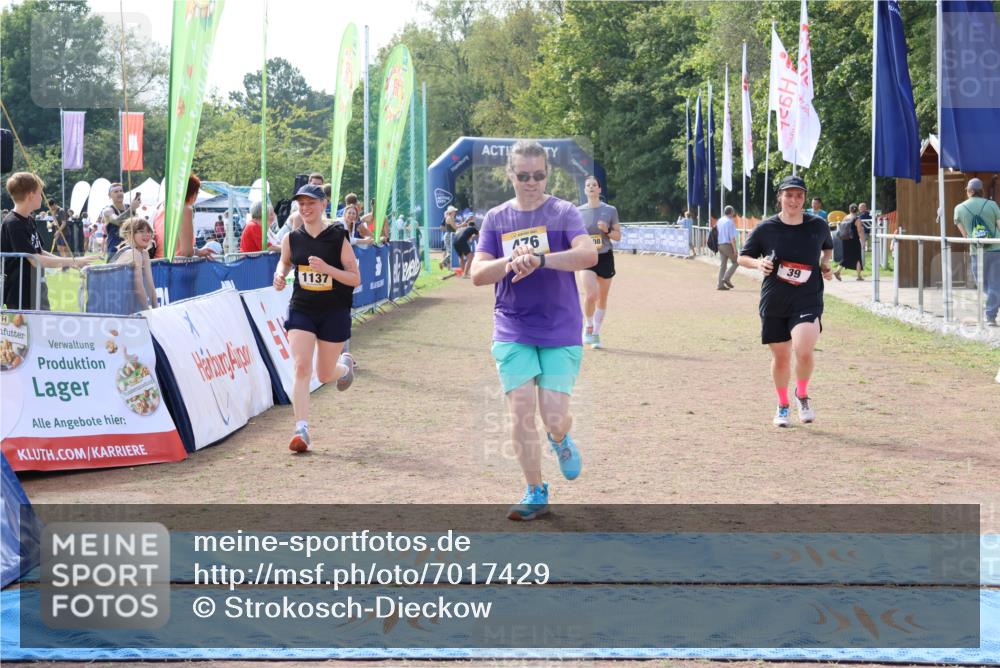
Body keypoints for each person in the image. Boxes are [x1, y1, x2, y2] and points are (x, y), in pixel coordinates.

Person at [470, 139, 598, 521]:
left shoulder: (563, 212)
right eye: (523, 176)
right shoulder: (496, 219)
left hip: (560, 326)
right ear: (511, 175)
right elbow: (477, 273)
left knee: (554, 416)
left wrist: (540, 259)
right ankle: (535, 490)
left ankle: (559, 439)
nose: (531, 183)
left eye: (539, 175)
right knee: (521, 409)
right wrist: (510, 262)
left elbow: (589, 253)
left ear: (548, 174)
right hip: (512, 325)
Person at [737, 175, 833, 428]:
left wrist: (825, 265)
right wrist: (758, 263)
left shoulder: (818, 225)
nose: (794, 200)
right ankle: (783, 404)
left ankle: (802, 395)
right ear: (780, 197)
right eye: (788, 195)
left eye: (799, 195)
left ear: (805, 198)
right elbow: (742, 257)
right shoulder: (766, 228)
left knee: (803, 349)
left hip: (807, 297)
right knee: (781, 358)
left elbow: (827, 247)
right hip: (775, 299)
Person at [272, 184, 360, 453]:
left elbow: (355, 279)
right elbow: (286, 262)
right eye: (301, 203)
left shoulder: (337, 237)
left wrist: (328, 269)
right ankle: (301, 430)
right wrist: (280, 273)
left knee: (324, 373)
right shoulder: (292, 239)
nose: (305, 208)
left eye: (311, 203)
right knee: (301, 367)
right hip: (303, 309)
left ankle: (345, 368)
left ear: (323, 205)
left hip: (334, 311)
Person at [1, 173, 96, 309]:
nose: (42, 197)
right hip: (21, 294)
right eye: (40, 193)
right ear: (30, 195)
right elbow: (35, 259)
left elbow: (39, 251)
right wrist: (73, 261)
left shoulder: (29, 219)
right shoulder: (13, 223)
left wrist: (74, 263)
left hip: (37, 287)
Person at [578, 175, 621, 348]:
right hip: (587, 257)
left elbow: (618, 236)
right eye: (588, 185)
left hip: (605, 256)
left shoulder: (610, 210)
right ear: (584, 189)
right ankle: (588, 326)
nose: (591, 187)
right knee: (591, 295)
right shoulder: (578, 211)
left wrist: (607, 230)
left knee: (602, 298)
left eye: (594, 185)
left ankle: (596, 333)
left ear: (600, 189)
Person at [953, 177, 1000, 326]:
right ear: (981, 191)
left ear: (970, 191)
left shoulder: (959, 208)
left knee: (984, 284)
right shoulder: (992, 205)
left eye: (967, 190)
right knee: (994, 284)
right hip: (996, 249)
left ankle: (991, 314)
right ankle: (991, 313)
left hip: (976, 251)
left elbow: (965, 235)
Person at [152, 174, 215, 259]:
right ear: (193, 193)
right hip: (177, 267)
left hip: (158, 266)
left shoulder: (160, 208)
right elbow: (186, 252)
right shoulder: (184, 210)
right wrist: (199, 252)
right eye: (197, 192)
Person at [109, 218, 157, 312]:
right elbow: (138, 287)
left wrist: (157, 310)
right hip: (112, 301)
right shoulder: (133, 253)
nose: (146, 235)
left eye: (148, 231)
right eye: (141, 231)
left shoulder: (144, 253)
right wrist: (147, 312)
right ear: (130, 234)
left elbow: (150, 284)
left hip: (124, 301)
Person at [102, 183, 140, 262]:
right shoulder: (108, 210)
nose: (119, 193)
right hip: (114, 250)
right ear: (109, 195)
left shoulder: (129, 207)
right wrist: (131, 209)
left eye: (121, 191)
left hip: (130, 247)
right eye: (115, 192)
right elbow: (117, 221)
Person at [834, 203, 866, 281]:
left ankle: (838, 271)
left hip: (845, 240)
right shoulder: (857, 219)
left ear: (849, 209)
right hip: (854, 240)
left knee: (846, 257)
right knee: (857, 257)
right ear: (857, 210)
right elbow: (860, 231)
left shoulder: (845, 217)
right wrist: (863, 241)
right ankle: (859, 276)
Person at [716, 205, 738, 291]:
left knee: (723, 265)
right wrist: (735, 249)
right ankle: (726, 277)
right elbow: (732, 238)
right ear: (731, 212)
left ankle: (720, 284)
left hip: (719, 244)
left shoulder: (720, 220)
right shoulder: (730, 222)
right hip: (727, 245)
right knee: (736, 261)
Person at [440, 205, 458, 270]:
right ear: (451, 212)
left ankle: (448, 267)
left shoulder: (450, 218)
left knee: (450, 252)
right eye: (454, 211)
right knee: (450, 252)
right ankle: (443, 263)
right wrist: (462, 225)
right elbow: (455, 228)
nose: (455, 212)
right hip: (449, 235)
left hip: (449, 235)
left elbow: (455, 227)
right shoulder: (450, 218)